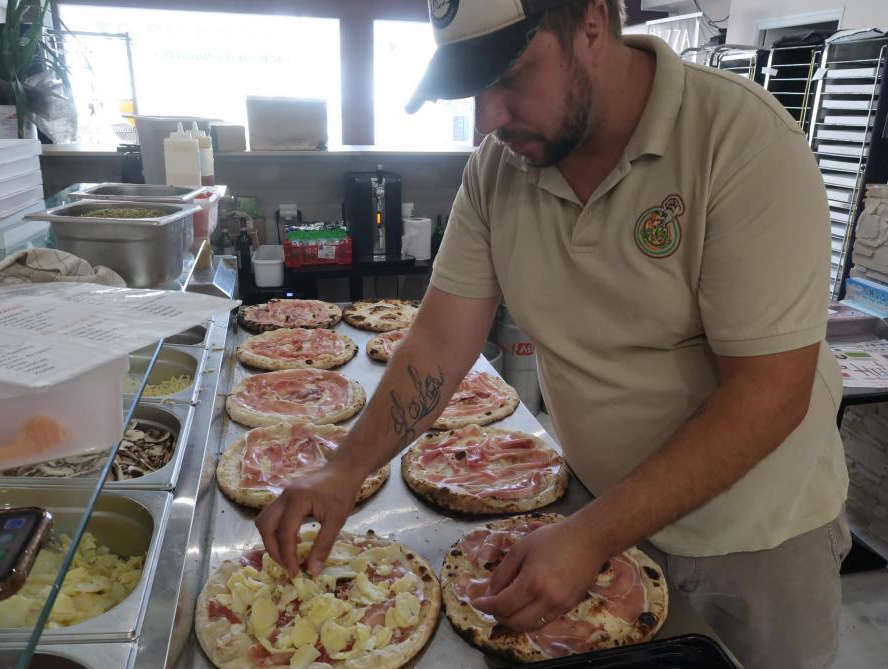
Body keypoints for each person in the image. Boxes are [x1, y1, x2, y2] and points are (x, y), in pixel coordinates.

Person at [256, 1, 850, 667]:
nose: (487, 119)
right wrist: (345, 465)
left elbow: (770, 393)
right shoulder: (497, 171)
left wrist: (591, 534)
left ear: (593, 24)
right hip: (596, 513)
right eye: (471, 90)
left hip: (756, 543)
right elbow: (438, 344)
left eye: (508, 76)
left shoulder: (739, 141)